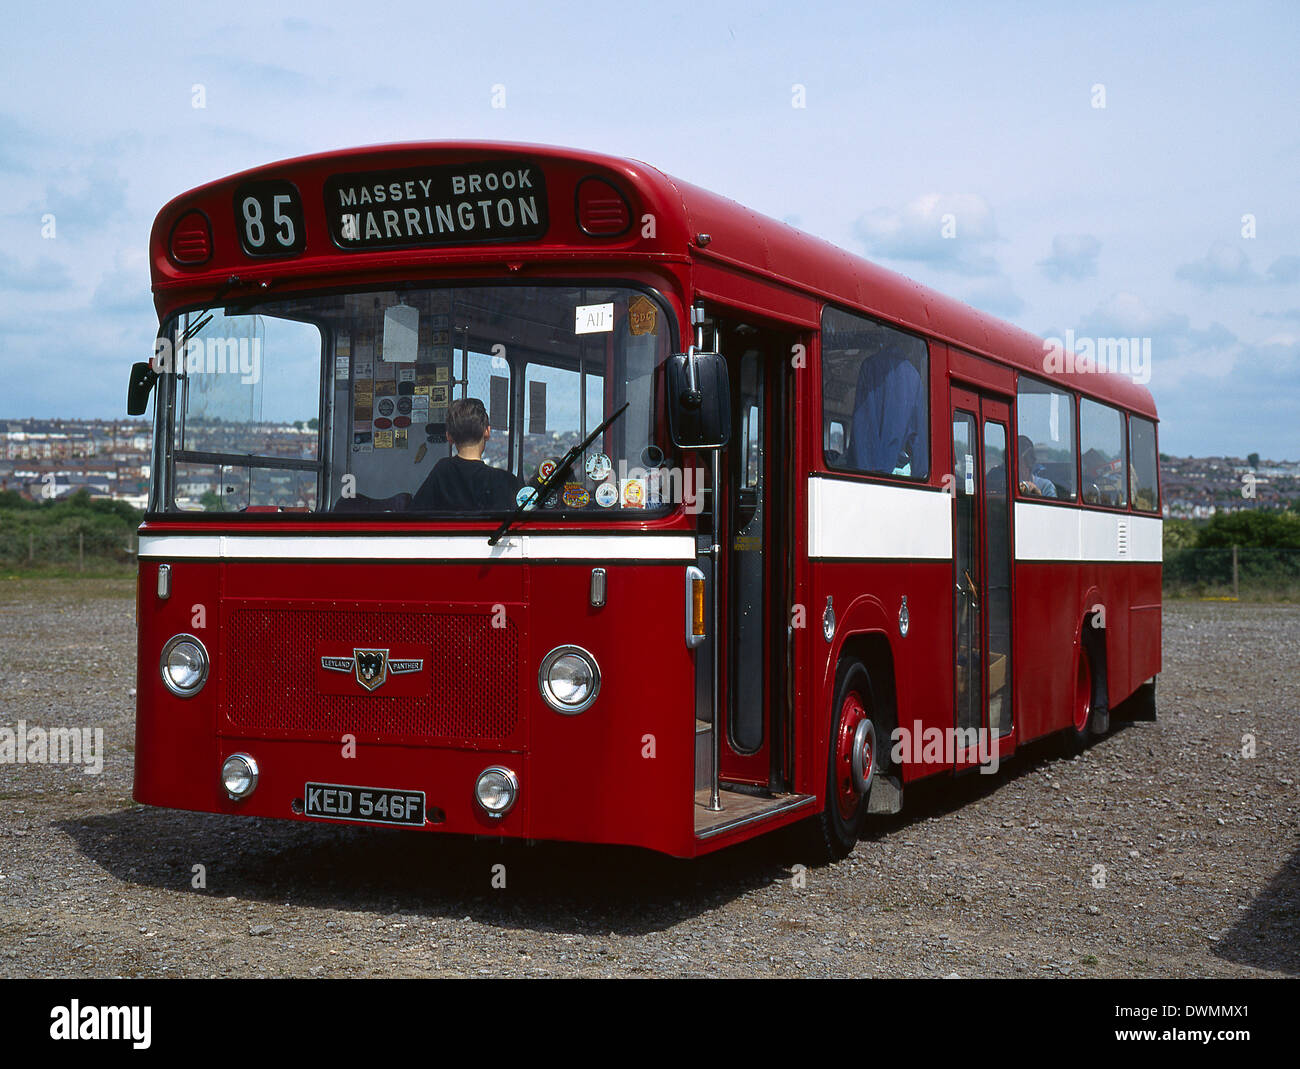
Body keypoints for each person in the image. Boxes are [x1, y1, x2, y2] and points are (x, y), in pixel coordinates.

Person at [413, 397, 521, 511]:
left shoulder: (442, 471)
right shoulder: (505, 480)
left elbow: (414, 513)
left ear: (449, 437)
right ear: (487, 432)